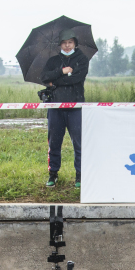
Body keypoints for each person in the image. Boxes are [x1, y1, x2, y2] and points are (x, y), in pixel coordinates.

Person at [40, 29, 89, 188]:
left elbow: (77, 78)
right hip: (55, 107)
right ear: (59, 44)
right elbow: (44, 77)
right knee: (54, 142)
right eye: (64, 43)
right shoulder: (53, 60)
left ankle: (80, 175)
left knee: (79, 143)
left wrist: (57, 81)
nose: (67, 46)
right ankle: (53, 174)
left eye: (70, 43)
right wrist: (62, 71)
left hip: (76, 107)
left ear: (75, 43)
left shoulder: (82, 59)